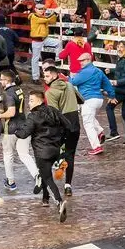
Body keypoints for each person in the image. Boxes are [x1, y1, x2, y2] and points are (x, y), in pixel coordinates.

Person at [16, 90, 68, 220]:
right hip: (55, 149)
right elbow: (68, 125)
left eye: (31, 100)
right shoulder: (53, 110)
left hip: (42, 151)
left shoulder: (33, 116)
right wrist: (61, 139)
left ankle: (59, 202)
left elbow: (24, 134)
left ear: (39, 100)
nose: (29, 103)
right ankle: (45, 198)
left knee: (47, 178)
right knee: (44, 173)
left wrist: (16, 130)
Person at [0, 69, 41, 192]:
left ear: (7, 80)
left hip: (11, 128)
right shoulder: (19, 89)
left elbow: (11, 112)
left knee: (8, 155)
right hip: (24, 125)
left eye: (1, 79)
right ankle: (37, 175)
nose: (0, 81)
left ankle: (10, 181)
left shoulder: (8, 93)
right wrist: (4, 110)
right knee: (24, 154)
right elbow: (17, 108)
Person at [43, 65, 81, 197]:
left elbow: (54, 114)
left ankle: (48, 180)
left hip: (63, 124)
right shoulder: (69, 85)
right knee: (71, 154)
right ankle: (68, 185)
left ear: (54, 76)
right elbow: (81, 99)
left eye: (47, 76)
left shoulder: (50, 92)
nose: (45, 78)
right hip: (75, 123)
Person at [70, 53, 115, 156]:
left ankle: (96, 146)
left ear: (89, 60)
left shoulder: (85, 72)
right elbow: (107, 84)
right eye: (80, 61)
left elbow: (73, 82)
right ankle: (99, 131)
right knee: (90, 117)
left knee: (87, 123)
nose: (80, 63)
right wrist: (112, 96)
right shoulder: (98, 71)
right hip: (98, 99)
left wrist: (66, 78)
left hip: (88, 99)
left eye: (82, 60)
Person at [105, 41, 125, 146]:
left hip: (123, 90)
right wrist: (112, 71)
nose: (119, 49)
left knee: (109, 107)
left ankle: (114, 132)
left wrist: (117, 82)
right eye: (118, 47)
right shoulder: (124, 58)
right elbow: (122, 70)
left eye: (121, 47)